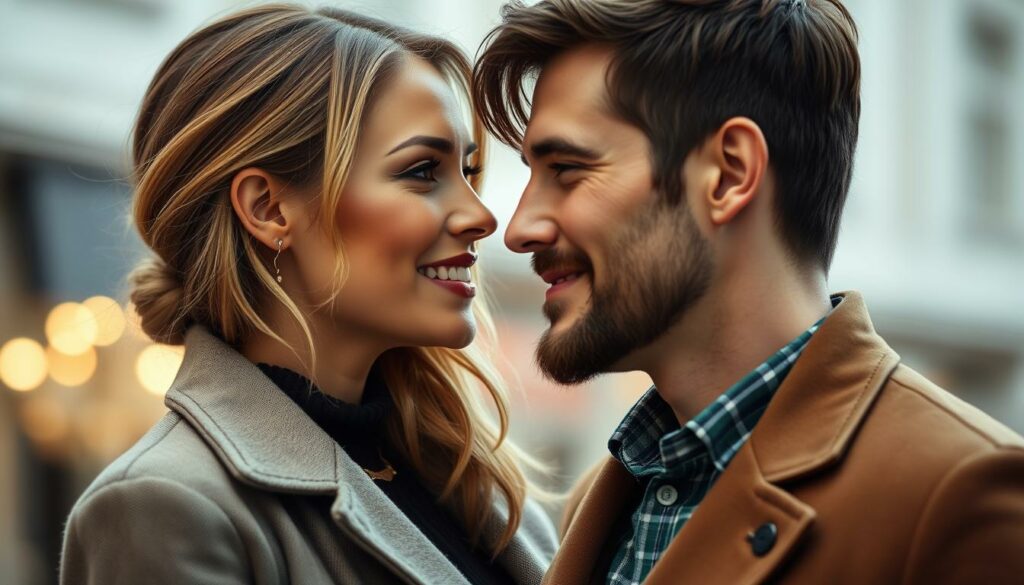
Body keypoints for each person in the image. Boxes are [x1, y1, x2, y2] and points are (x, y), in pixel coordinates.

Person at [472, 0, 1024, 583]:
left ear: (730, 173)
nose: (520, 228)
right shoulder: (606, 500)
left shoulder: (959, 497)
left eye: (567, 169)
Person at [60, 5, 557, 584]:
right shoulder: (165, 505)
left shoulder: (481, 490)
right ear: (268, 209)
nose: (480, 216)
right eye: (422, 171)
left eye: (468, 171)